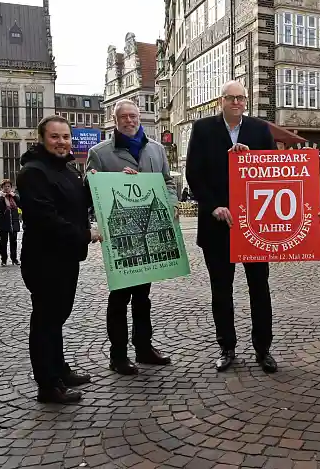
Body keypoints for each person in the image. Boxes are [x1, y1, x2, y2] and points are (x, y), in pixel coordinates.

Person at [185, 80, 278, 373]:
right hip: (217, 224)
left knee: (259, 288)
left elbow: (274, 171)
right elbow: (194, 174)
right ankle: (226, 347)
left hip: (254, 225)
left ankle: (263, 349)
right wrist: (214, 206)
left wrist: (252, 159)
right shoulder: (203, 129)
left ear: (246, 101)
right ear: (220, 101)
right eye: (231, 98)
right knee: (221, 290)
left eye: (241, 98)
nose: (236, 102)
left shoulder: (260, 130)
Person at [17, 115, 102, 404]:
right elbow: (46, 219)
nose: (62, 142)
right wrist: (86, 234)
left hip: (66, 258)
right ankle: (47, 385)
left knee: (58, 317)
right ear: (41, 139)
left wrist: (116, 182)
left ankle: (59, 369)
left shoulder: (68, 171)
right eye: (55, 137)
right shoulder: (33, 172)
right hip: (44, 260)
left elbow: (80, 202)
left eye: (65, 137)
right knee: (45, 321)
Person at [86, 100, 175, 375]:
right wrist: (108, 183)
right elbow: (89, 192)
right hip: (120, 235)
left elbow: (168, 182)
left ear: (140, 118)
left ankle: (144, 347)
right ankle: (118, 355)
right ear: (115, 120)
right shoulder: (99, 153)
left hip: (149, 231)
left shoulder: (157, 149)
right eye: (123, 117)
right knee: (119, 297)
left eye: (133, 116)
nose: (129, 120)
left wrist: (169, 204)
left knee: (143, 297)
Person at [0, 180, 22, 266]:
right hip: (3, 222)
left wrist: (15, 197)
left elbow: (21, 204)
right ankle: (4, 260)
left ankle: (14, 259)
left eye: (8, 186)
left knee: (14, 241)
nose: (7, 188)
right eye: (5, 186)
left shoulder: (14, 196)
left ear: (11, 188)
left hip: (13, 222)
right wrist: (1, 197)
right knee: (3, 242)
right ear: (2, 188)